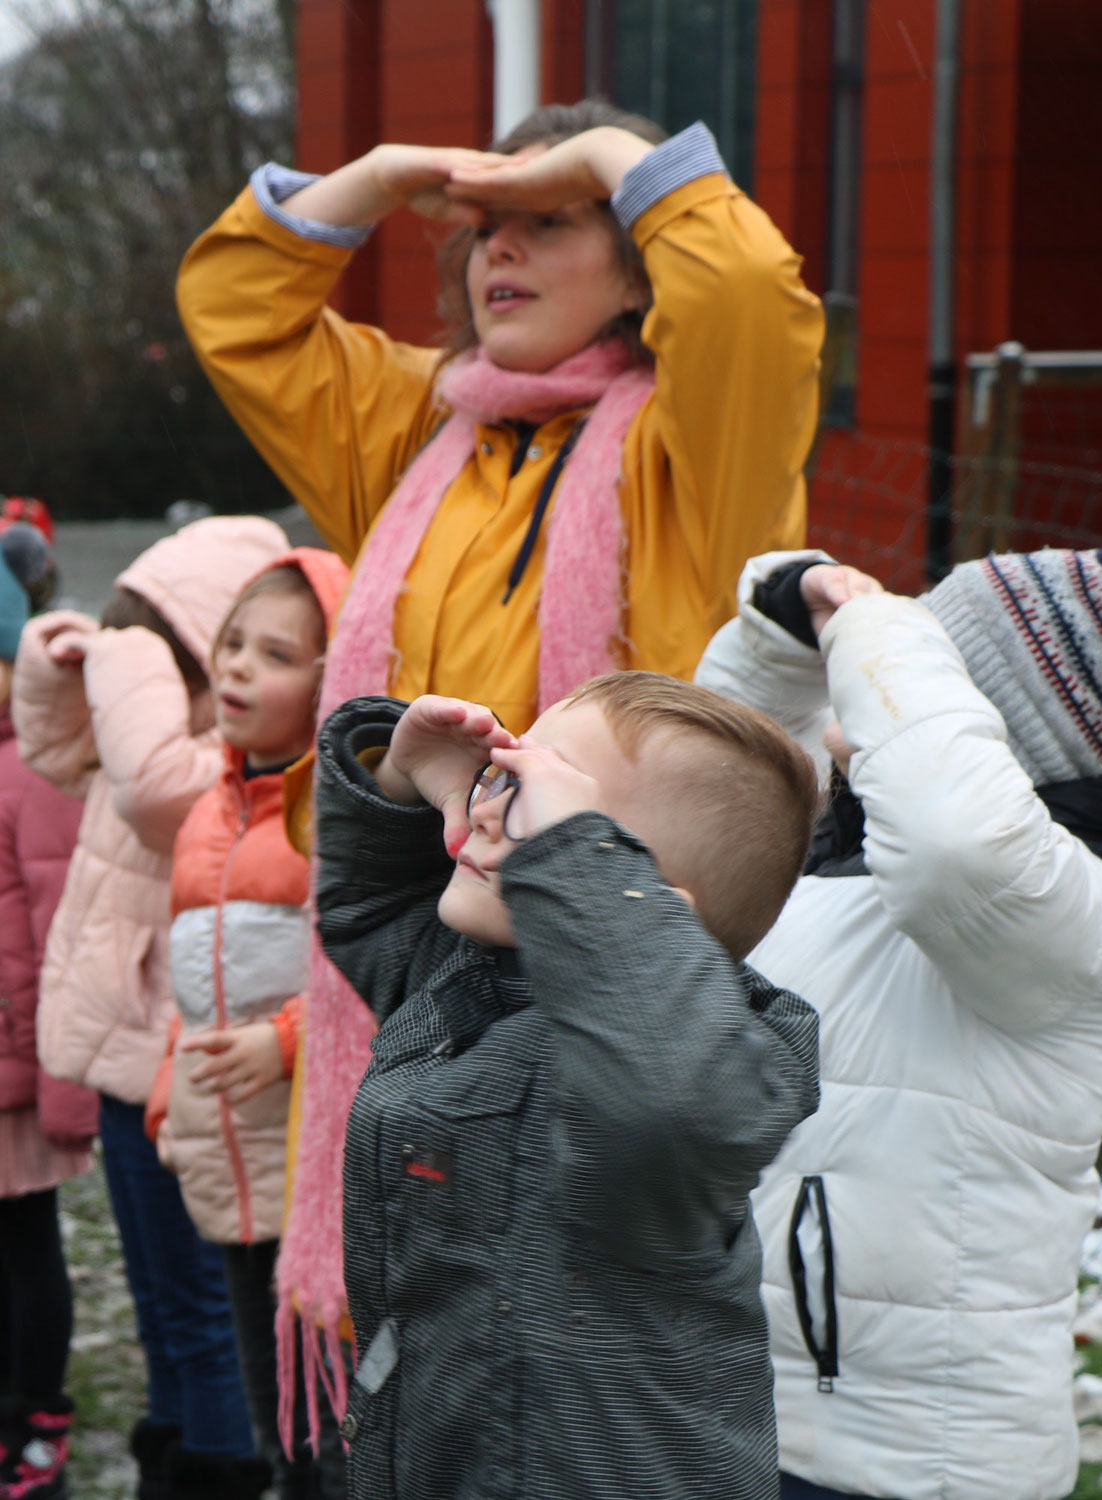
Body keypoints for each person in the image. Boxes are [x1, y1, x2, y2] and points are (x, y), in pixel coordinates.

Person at [176, 96, 826, 1417]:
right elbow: (244, 313)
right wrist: (379, 174)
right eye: (481, 230)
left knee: (521, 1388)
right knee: (382, 1394)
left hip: (585, 992)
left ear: (640, 255)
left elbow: (751, 300)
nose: (498, 253)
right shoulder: (426, 424)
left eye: (550, 219)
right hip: (396, 969)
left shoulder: (689, 447)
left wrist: (611, 155)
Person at [312, 672, 821, 1499]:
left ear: (640, 909)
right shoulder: (465, 987)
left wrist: (569, 849)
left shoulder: (675, 1080)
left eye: (536, 805)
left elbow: (667, 1100)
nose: (488, 807)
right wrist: (418, 782)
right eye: (504, 775)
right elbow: (369, 909)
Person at [695, 547, 1102, 1500]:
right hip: (745, 1416)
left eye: (913, 680)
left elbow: (957, 839)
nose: (864, 700)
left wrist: (874, 626)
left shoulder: (1073, 923)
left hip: (913, 1465)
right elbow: (711, 802)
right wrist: (776, 640)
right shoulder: (835, 864)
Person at [13, 515, 289, 1500]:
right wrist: (56, 665)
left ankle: (212, 1469)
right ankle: (171, 1456)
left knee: (198, 1312)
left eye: (153, 639)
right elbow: (56, 753)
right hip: (133, 1059)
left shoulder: (218, 756)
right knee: (159, 1307)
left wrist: (127, 670)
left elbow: (146, 788)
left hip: (181, 1061)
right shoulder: (156, 726)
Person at [144, 549, 349, 1500]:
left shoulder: (341, 820)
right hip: (227, 1167)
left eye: (271, 654)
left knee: (332, 1430)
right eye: (230, 644)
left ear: (331, 676)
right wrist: (166, 1096)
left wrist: (287, 1044)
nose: (233, 668)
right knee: (275, 1421)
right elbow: (192, 982)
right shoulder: (206, 816)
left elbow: (367, 978)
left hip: (317, 1177)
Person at [0, 540, 96, 1500]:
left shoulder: (33, 776)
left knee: (30, 1248)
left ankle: (42, 1412)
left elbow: (60, 930)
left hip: (17, 1073)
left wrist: (61, 1086)